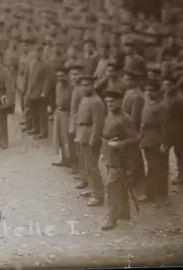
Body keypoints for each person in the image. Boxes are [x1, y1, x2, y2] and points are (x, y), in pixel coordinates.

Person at [101, 89, 139, 231]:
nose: (110, 104)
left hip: (119, 158)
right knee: (121, 185)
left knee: (111, 187)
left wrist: (120, 144)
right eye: (108, 101)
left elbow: (135, 138)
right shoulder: (110, 114)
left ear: (120, 101)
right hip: (109, 154)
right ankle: (124, 212)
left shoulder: (125, 119)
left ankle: (111, 219)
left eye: (113, 101)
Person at [75, 75, 105, 207]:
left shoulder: (96, 101)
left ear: (93, 85)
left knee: (92, 167)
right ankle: (92, 189)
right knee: (86, 165)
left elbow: (98, 123)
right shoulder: (84, 98)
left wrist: (94, 139)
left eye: (88, 84)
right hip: (83, 133)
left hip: (90, 134)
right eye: (83, 85)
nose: (85, 87)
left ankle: (98, 195)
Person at [139, 80, 171, 206]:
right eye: (147, 90)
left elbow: (165, 126)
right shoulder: (147, 105)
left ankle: (161, 195)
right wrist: (141, 138)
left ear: (158, 91)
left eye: (152, 90)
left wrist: (165, 143)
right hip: (148, 139)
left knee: (160, 168)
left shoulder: (162, 106)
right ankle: (150, 192)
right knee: (152, 167)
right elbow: (143, 124)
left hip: (157, 139)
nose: (149, 92)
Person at [122, 59, 147, 198]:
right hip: (126, 131)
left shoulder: (137, 96)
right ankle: (132, 182)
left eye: (126, 78)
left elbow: (134, 118)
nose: (124, 80)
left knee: (134, 160)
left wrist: (129, 133)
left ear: (132, 80)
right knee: (129, 159)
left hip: (131, 133)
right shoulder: (129, 92)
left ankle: (137, 185)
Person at [23, 44, 50, 139]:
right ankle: (36, 128)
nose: (38, 54)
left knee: (42, 112)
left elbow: (47, 80)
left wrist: (44, 92)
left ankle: (43, 131)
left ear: (42, 53)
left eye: (40, 52)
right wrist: (25, 89)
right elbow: (27, 78)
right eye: (36, 52)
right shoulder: (30, 64)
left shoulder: (45, 65)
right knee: (33, 111)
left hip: (40, 92)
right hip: (31, 92)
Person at [162, 75, 183, 185]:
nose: (166, 87)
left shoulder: (179, 99)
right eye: (164, 84)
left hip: (178, 130)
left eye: (168, 85)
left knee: (180, 153)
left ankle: (181, 176)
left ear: (174, 85)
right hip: (169, 128)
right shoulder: (166, 95)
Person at [52, 65, 74, 167]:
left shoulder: (71, 87)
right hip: (59, 113)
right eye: (58, 76)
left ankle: (71, 159)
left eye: (62, 76)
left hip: (67, 113)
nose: (60, 78)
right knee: (59, 137)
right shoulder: (58, 85)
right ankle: (64, 157)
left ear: (66, 75)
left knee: (67, 138)